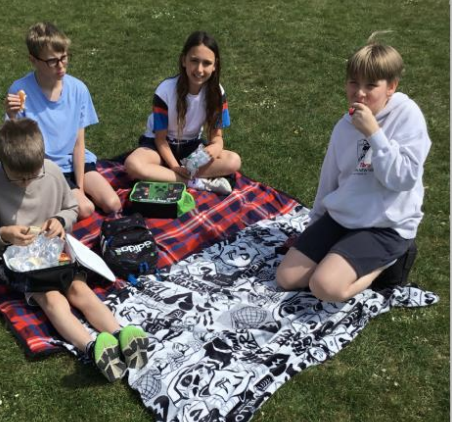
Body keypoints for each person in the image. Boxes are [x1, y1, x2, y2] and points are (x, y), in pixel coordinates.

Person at [0, 119, 150, 381]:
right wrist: (3, 233)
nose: (26, 183)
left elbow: (71, 208)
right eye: (18, 178)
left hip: (55, 251)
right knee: (51, 299)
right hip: (13, 259)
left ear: (42, 159)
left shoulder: (52, 171)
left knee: (79, 289)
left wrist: (61, 221)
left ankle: (121, 334)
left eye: (33, 176)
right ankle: (92, 347)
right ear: (1, 160)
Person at [276, 35, 430, 302]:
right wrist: (315, 226)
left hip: (385, 224)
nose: (360, 92)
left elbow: (403, 179)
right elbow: (330, 179)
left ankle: (389, 261)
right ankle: (341, 253)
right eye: (353, 83)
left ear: (391, 86)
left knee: (324, 287)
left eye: (371, 85)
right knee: (287, 279)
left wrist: (374, 134)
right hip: (344, 217)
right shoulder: (343, 126)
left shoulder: (407, 115)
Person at [4, 22, 120, 218]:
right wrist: (12, 116)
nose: (61, 66)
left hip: (73, 161)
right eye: (52, 61)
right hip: (44, 167)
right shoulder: (20, 90)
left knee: (113, 203)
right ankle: (48, 198)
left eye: (64, 57)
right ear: (33, 60)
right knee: (85, 209)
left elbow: (78, 143)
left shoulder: (78, 89)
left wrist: (80, 187)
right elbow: (13, 145)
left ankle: (55, 198)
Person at [123, 31, 242, 195]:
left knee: (233, 161)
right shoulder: (165, 91)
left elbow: (217, 136)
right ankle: (196, 182)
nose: (199, 69)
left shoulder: (217, 92)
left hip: (191, 147)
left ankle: (163, 175)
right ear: (183, 60)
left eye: (206, 63)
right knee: (133, 165)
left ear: (215, 66)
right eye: (194, 61)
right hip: (158, 147)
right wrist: (175, 167)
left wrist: (215, 147)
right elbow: (160, 140)